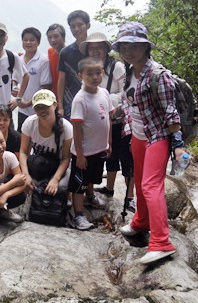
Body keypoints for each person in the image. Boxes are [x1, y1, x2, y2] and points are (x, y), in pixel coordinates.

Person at [113, 21, 187, 265]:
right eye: (124, 46)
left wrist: (178, 146)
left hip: (157, 136)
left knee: (150, 185)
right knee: (139, 179)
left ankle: (161, 242)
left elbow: (171, 113)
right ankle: (141, 221)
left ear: (145, 47)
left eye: (134, 46)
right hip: (137, 135)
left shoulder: (158, 75)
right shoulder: (129, 72)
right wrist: (120, 113)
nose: (128, 51)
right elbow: (130, 101)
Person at [81, 33, 136, 212]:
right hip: (103, 122)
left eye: (99, 47)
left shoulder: (117, 67)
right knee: (109, 156)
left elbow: (126, 91)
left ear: (106, 48)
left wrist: (106, 99)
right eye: (92, 47)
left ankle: (130, 197)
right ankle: (109, 188)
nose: (96, 50)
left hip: (121, 119)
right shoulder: (88, 68)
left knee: (126, 158)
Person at [68, 57, 114, 230]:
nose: (95, 77)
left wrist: (109, 142)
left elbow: (108, 119)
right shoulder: (80, 99)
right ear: (80, 75)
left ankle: (90, 195)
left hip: (99, 148)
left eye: (98, 73)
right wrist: (80, 155)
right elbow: (77, 128)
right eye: (90, 74)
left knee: (93, 176)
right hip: (84, 151)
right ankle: (78, 215)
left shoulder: (104, 93)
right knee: (79, 183)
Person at [19, 89, 73, 199]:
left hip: (58, 168)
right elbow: (23, 152)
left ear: (55, 105)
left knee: (60, 187)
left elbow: (66, 158)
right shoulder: (29, 123)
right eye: (38, 108)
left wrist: (55, 179)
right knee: (25, 183)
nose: (42, 111)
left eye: (45, 106)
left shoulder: (66, 127)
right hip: (38, 166)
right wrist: (26, 175)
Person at [16, 27, 52, 132]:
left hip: (37, 110)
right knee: (22, 135)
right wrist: (14, 89)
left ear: (38, 42)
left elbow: (45, 87)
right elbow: (14, 79)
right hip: (21, 110)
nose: (28, 42)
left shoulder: (43, 60)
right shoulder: (19, 60)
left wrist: (27, 103)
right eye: (25, 40)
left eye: (32, 40)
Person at [57, 10, 91, 120]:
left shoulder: (95, 49)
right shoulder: (65, 52)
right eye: (73, 26)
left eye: (80, 25)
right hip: (71, 102)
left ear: (88, 25)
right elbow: (61, 79)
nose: (76, 29)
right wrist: (60, 106)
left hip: (94, 99)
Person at [46, 23, 66, 100]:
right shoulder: (50, 51)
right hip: (53, 97)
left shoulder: (69, 54)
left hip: (67, 96)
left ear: (63, 37)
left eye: (56, 36)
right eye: (49, 37)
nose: (52, 40)